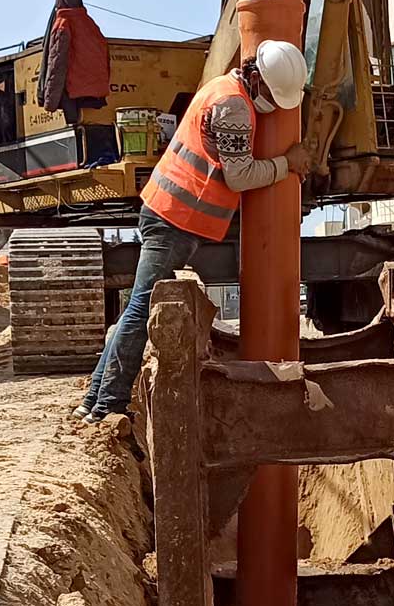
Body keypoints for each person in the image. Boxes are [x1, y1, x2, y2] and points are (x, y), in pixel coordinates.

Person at [77, 39, 309, 422]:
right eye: (270, 93)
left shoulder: (221, 87)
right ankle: (106, 407)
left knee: (138, 307)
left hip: (171, 214)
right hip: (175, 219)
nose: (272, 102)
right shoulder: (234, 106)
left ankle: (94, 402)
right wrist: (288, 163)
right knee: (140, 311)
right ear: (256, 78)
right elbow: (240, 176)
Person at [37, 0, 110, 128]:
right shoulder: (90, 24)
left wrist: (49, 101)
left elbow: (56, 65)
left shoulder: (62, 24)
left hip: (73, 95)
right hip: (95, 92)